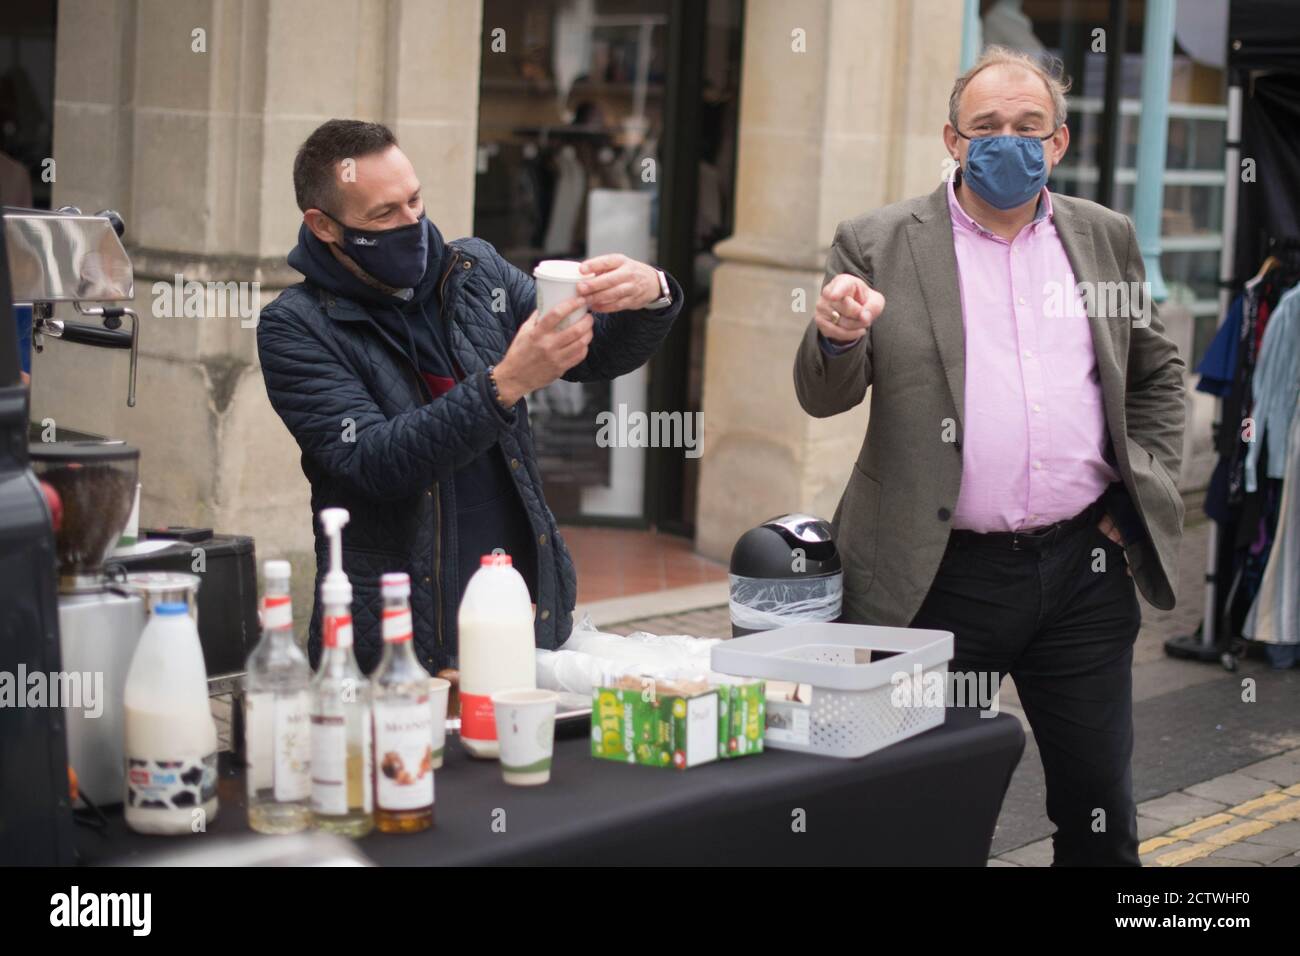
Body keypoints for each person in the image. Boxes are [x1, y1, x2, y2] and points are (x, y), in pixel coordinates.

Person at [793, 47, 1186, 866]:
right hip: (938, 578)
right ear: (952, 137)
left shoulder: (1103, 237)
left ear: (1059, 142)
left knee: (1100, 810)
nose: (1007, 142)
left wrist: (1135, 494)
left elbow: (1156, 372)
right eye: (986, 128)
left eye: (1027, 127)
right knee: (921, 813)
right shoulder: (876, 242)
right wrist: (836, 335)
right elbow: (825, 397)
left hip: (1083, 569)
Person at [258, 120, 681, 675]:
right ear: (324, 226)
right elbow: (374, 460)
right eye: (383, 215)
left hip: (520, 603)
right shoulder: (296, 326)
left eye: (415, 201)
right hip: (397, 635)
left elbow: (592, 354)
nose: (410, 223)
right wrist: (504, 384)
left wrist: (651, 294)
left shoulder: (475, 271)